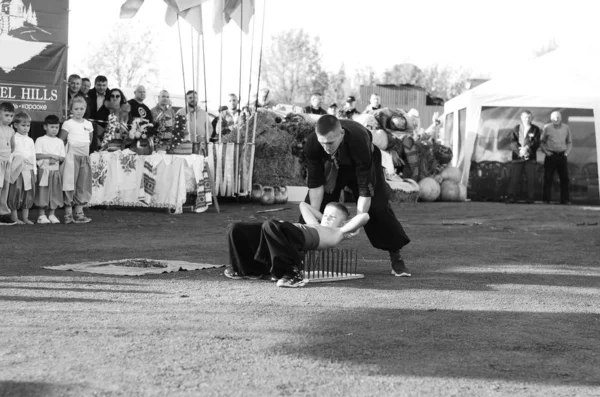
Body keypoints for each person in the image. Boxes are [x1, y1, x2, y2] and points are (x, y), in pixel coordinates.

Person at [302, 115, 412, 277]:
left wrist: (357, 222)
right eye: (322, 143)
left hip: (364, 166)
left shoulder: (359, 142)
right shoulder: (312, 144)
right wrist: (314, 224)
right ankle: (297, 256)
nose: (326, 147)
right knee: (308, 210)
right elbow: (316, 186)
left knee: (378, 208)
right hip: (334, 167)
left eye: (330, 143)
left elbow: (365, 191)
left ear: (341, 134)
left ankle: (396, 257)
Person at [225, 201, 370, 287]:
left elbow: (365, 216)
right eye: (325, 215)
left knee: (271, 225)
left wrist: (349, 225)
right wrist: (323, 217)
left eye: (332, 217)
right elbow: (303, 205)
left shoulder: (338, 233)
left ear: (344, 223)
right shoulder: (315, 224)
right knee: (236, 228)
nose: (326, 219)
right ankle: (248, 270)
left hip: (296, 236)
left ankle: (292, 274)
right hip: (279, 230)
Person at [59, 97, 93, 223]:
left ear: (85, 109)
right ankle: (68, 214)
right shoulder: (68, 123)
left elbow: (89, 139)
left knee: (82, 184)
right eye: (76, 109)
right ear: (71, 109)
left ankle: (79, 212)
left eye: (82, 109)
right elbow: (61, 140)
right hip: (71, 158)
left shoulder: (88, 124)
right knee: (69, 184)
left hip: (84, 158)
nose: (79, 111)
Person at [35, 115, 65, 224]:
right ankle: (41, 215)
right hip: (44, 170)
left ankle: (52, 214)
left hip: (55, 171)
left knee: (55, 192)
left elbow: (62, 157)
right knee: (43, 192)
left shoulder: (60, 142)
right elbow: (37, 155)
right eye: (52, 127)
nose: (54, 130)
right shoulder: (40, 140)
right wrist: (50, 156)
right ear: (45, 127)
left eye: (56, 127)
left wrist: (56, 158)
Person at [7, 112, 37, 225]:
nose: (26, 128)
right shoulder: (13, 138)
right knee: (15, 192)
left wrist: (34, 171)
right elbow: (10, 153)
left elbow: (33, 156)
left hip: (28, 169)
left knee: (27, 193)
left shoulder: (30, 140)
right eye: (23, 125)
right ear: (15, 125)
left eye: (28, 126)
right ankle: (14, 217)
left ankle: (25, 217)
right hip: (16, 169)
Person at [506, 110, 541, 204]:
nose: (527, 119)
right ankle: (511, 197)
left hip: (530, 158)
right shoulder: (516, 128)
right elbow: (512, 142)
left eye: (529, 117)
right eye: (525, 117)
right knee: (514, 179)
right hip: (517, 158)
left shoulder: (535, 129)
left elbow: (536, 142)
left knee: (530, 179)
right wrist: (519, 151)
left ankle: (530, 198)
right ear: (521, 118)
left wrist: (527, 149)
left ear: (532, 118)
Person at [541, 111, 572, 204]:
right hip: (550, 156)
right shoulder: (547, 127)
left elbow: (569, 142)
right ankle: (546, 200)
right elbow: (541, 142)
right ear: (551, 119)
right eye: (554, 117)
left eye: (558, 117)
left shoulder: (566, 128)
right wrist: (546, 152)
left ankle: (565, 200)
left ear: (561, 118)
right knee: (548, 178)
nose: (556, 119)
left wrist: (567, 153)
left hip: (562, 156)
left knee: (564, 178)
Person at [0, 102, 16, 225]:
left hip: (6, 162)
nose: (9, 118)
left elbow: (13, 146)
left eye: (11, 116)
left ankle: (3, 213)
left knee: (5, 187)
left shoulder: (11, 130)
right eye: (6, 115)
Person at [87, 75, 110, 153]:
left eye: (104, 85)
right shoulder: (88, 93)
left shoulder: (111, 95)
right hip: (88, 127)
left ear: (107, 85)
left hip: (105, 129)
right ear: (95, 85)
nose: (101, 87)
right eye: (99, 85)